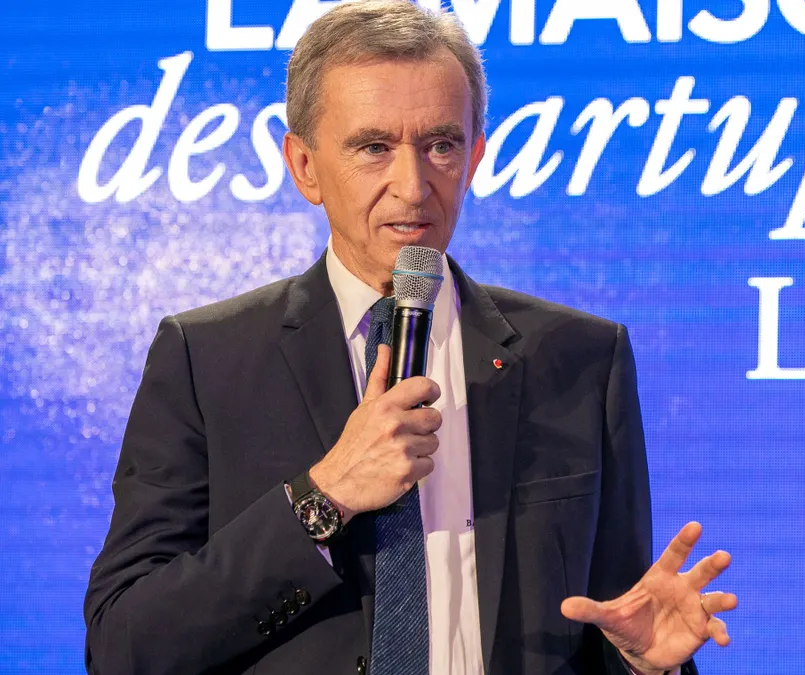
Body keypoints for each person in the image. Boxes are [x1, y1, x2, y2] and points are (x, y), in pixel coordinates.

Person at [83, 2, 736, 674]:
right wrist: (322, 494)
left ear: (475, 155)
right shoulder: (207, 359)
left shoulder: (580, 359)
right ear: (304, 165)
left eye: (440, 144)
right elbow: (124, 644)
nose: (413, 184)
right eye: (373, 148)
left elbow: (614, 619)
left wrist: (642, 662)